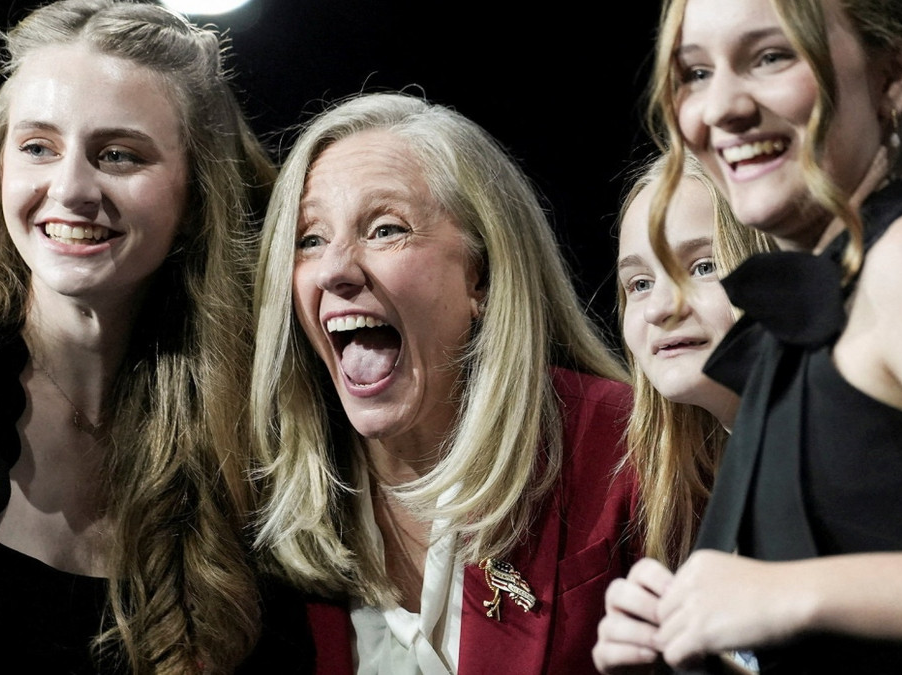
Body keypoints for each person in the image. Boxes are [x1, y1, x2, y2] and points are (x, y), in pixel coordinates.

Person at [0, 1, 294, 672]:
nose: (71, 187)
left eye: (118, 154)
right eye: (38, 147)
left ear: (194, 198)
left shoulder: (241, 446)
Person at [593, 0, 902, 673]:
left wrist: (793, 592)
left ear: (893, 75)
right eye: (696, 73)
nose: (721, 108)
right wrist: (683, 639)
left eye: (770, 56)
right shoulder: (806, 315)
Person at [248, 91, 638, 674]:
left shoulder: (625, 445)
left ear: (480, 276)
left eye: (384, 229)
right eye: (310, 239)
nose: (334, 268)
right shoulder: (260, 492)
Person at [597, 153, 773, 675]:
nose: (659, 308)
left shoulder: (841, 460)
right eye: (640, 284)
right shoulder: (714, 493)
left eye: (702, 267)